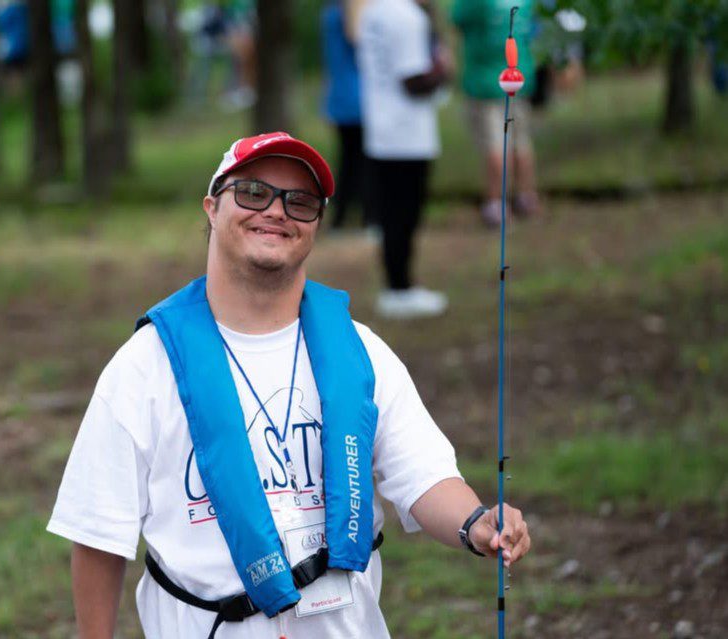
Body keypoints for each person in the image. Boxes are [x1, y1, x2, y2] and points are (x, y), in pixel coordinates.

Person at [47, 131, 531, 638]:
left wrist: (475, 523)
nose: (277, 211)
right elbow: (99, 535)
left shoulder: (360, 352)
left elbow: (424, 478)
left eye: (300, 202)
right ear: (212, 208)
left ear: (316, 224)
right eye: (253, 193)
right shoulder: (144, 366)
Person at [357, 0, 452, 319]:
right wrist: (444, 70)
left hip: (382, 130)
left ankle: (396, 286)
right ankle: (400, 289)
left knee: (391, 215)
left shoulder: (375, 11)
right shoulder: (406, 16)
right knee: (404, 215)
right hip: (407, 135)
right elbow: (413, 81)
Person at [452, 0, 540, 227]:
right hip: (519, 77)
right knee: (521, 141)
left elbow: (457, 20)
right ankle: (526, 197)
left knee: (496, 146)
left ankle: (496, 204)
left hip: (487, 83)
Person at [321, 0, 374, 232]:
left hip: (341, 95)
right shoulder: (351, 9)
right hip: (356, 98)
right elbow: (358, 37)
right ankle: (367, 217)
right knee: (361, 161)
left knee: (349, 158)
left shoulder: (331, 11)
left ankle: (341, 218)